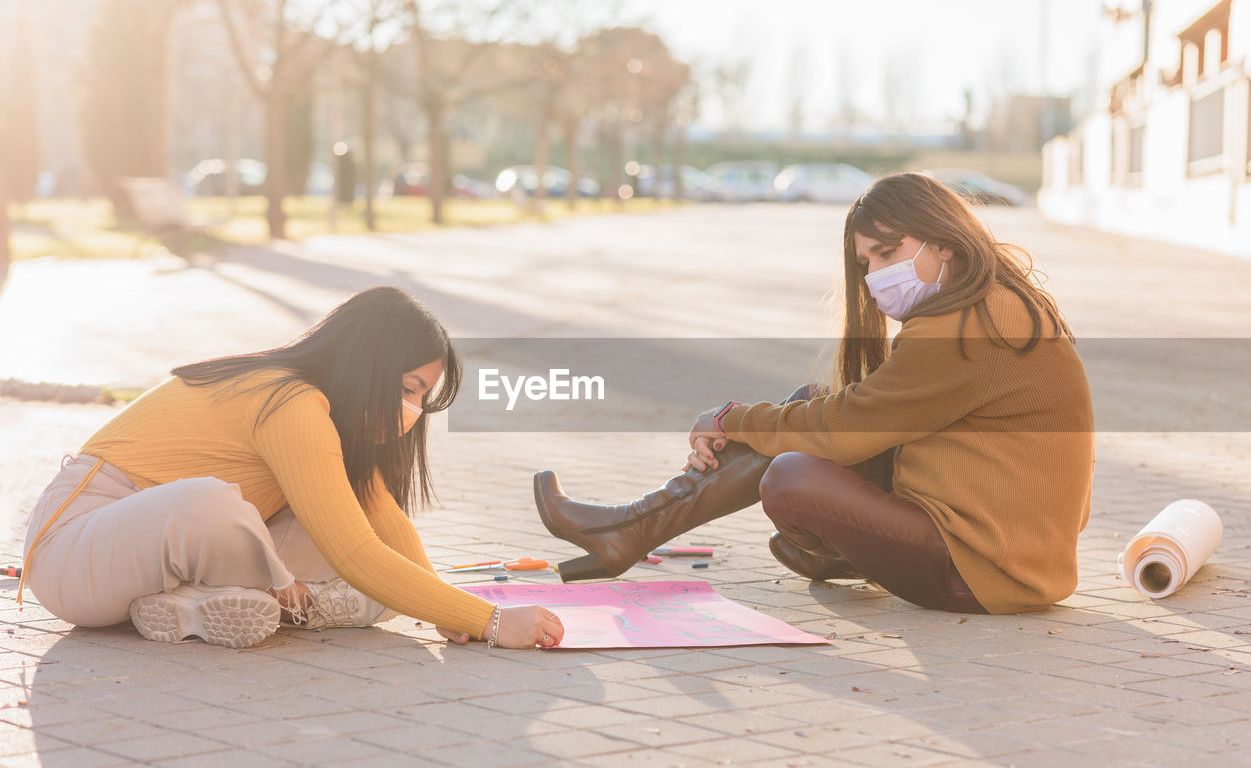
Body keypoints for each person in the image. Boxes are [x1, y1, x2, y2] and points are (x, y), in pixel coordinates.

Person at [535, 172, 1094, 614]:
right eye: (866, 262)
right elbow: (843, 412)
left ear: (943, 243)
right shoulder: (989, 302)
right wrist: (749, 422)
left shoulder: (965, 328)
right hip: (1006, 546)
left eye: (888, 253)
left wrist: (728, 418)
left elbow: (844, 431)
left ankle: (629, 530)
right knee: (808, 400)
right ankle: (630, 530)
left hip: (987, 568)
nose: (875, 276)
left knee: (792, 472)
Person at [22, 286, 564, 649]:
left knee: (345, 536)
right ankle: (301, 600)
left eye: (421, 399)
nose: (412, 413)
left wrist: (450, 608)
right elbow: (356, 551)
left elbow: (381, 522)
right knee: (213, 505)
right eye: (406, 389)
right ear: (365, 366)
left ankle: (188, 605)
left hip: (148, 561)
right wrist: (492, 623)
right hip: (73, 552)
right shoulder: (289, 402)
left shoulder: (327, 419)